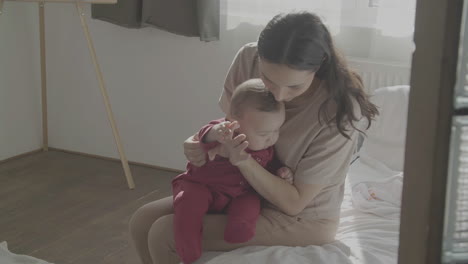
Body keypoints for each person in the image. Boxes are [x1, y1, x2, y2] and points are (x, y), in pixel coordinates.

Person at [129, 11, 378, 264]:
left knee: (164, 234)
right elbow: (231, 127)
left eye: (294, 86)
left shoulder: (339, 110)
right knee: (142, 220)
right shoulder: (248, 59)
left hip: (301, 216)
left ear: (319, 65)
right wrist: (198, 141)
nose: (279, 96)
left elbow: (294, 203)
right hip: (240, 188)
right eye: (268, 80)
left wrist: (243, 161)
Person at [172, 79, 291, 264]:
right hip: (202, 186)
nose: (271, 138)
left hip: (240, 194)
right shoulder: (225, 133)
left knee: (251, 204)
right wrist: (216, 132)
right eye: (263, 134)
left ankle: (239, 229)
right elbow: (204, 134)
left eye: (276, 131)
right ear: (233, 122)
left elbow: (268, 168)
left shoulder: (266, 149)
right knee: (188, 205)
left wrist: (281, 173)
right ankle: (188, 249)